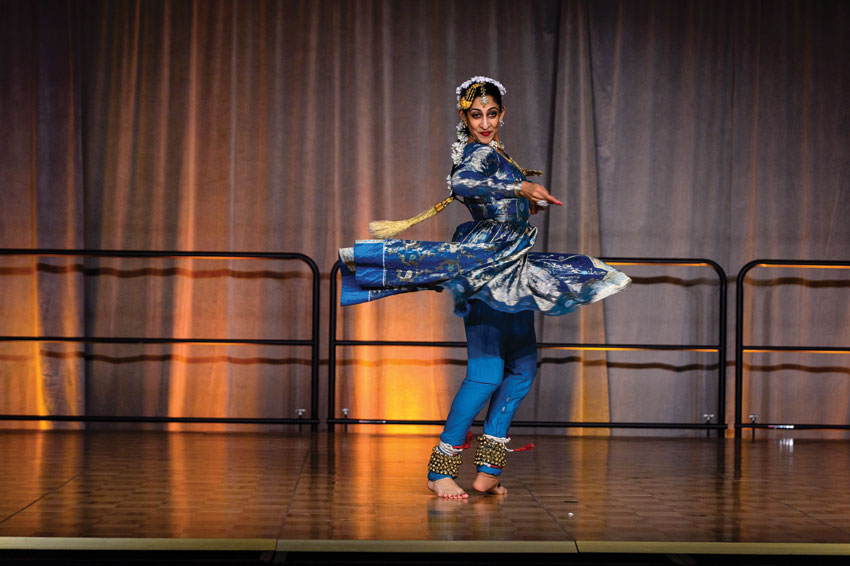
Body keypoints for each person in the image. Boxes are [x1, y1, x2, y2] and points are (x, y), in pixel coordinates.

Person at [339, 76, 631, 499]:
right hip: (486, 265)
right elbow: (462, 184)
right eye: (476, 115)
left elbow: (490, 198)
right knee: (487, 371)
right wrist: (518, 187)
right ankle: (440, 468)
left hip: (510, 264)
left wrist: (522, 202)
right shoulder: (476, 154)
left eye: (492, 114)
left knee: (523, 368)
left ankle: (490, 467)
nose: (485, 122)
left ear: (502, 114)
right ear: (465, 117)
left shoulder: (498, 153)